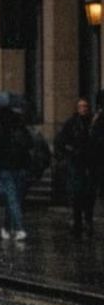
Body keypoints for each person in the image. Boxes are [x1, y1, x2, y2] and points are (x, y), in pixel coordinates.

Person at [55, 98, 99, 237]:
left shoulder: (93, 123)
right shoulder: (72, 123)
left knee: (89, 193)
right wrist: (72, 151)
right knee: (77, 192)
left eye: (85, 106)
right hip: (76, 162)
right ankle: (78, 221)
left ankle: (88, 220)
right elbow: (61, 141)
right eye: (81, 106)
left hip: (91, 163)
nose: (83, 109)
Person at [0, 107, 33, 241]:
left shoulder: (1, 131)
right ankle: (15, 228)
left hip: (10, 168)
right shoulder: (19, 130)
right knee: (14, 199)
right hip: (15, 168)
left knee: (13, 200)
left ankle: (11, 227)